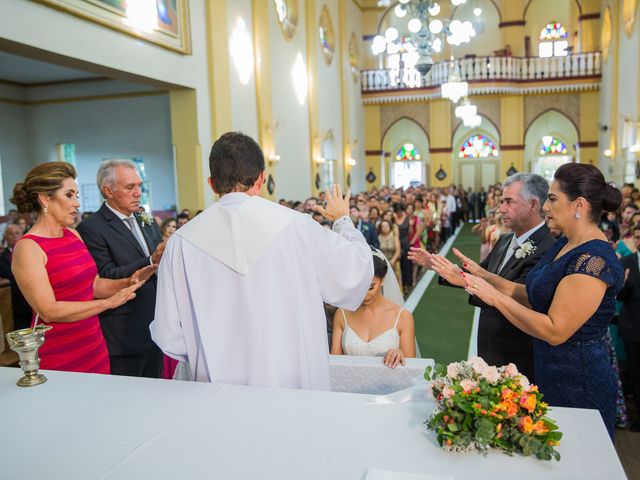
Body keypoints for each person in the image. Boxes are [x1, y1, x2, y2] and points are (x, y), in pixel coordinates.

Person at [150, 132, 373, 389]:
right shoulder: (297, 227)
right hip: (294, 381)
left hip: (218, 389)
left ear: (212, 184)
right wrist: (343, 220)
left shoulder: (181, 242)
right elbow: (355, 271)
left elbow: (170, 335)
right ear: (262, 178)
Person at [435, 164, 624, 440]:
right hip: (546, 369)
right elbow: (531, 292)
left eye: (553, 198)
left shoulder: (592, 260)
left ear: (578, 205)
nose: (546, 207)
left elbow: (555, 330)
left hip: (576, 378)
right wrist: (478, 275)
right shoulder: (564, 245)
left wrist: (496, 298)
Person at [409, 173, 554, 380]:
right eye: (502, 201)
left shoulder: (548, 247)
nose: (501, 209)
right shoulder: (504, 241)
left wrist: (464, 277)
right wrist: (440, 266)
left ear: (533, 205)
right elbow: (482, 276)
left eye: (508, 202)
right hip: (490, 345)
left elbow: (522, 297)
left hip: (519, 351)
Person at [9, 162, 150, 374]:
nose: (77, 203)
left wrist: (128, 282)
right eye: (69, 195)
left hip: (94, 344)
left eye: (76, 195)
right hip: (61, 351)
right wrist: (108, 303)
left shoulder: (73, 235)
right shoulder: (28, 248)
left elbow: (93, 285)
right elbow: (48, 310)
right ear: (45, 198)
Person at [77, 159, 166, 378]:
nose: (138, 192)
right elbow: (105, 275)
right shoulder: (91, 228)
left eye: (139, 185)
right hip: (124, 330)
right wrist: (149, 261)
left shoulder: (146, 219)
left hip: (157, 324)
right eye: (130, 187)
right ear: (107, 190)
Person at [331, 249, 415, 368]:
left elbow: (412, 367)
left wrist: (400, 354)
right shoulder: (342, 314)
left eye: (371, 287)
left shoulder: (403, 317)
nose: (364, 295)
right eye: (359, 287)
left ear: (382, 280)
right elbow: (334, 362)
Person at [617, 224, 640, 432]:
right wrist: (621, 285)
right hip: (633, 326)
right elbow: (620, 297)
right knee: (635, 374)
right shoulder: (627, 262)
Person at [0, 224, 32, 330]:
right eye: (11, 234)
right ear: (5, 237)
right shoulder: (1, 258)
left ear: (22, 235)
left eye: (17, 233)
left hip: (35, 305)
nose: (14, 236)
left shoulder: (33, 253)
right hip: (15, 307)